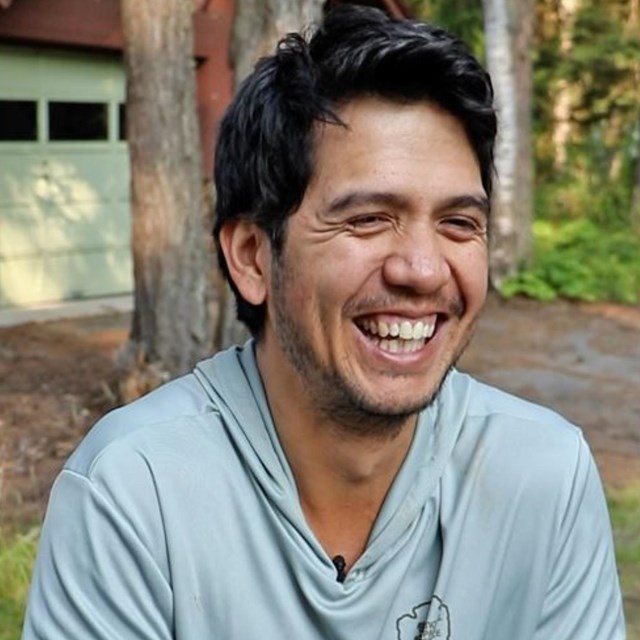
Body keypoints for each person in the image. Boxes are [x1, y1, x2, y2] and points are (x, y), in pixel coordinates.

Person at [22, 5, 625, 639]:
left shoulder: (543, 476)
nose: (423, 270)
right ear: (253, 256)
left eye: (458, 224)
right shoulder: (134, 492)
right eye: (367, 219)